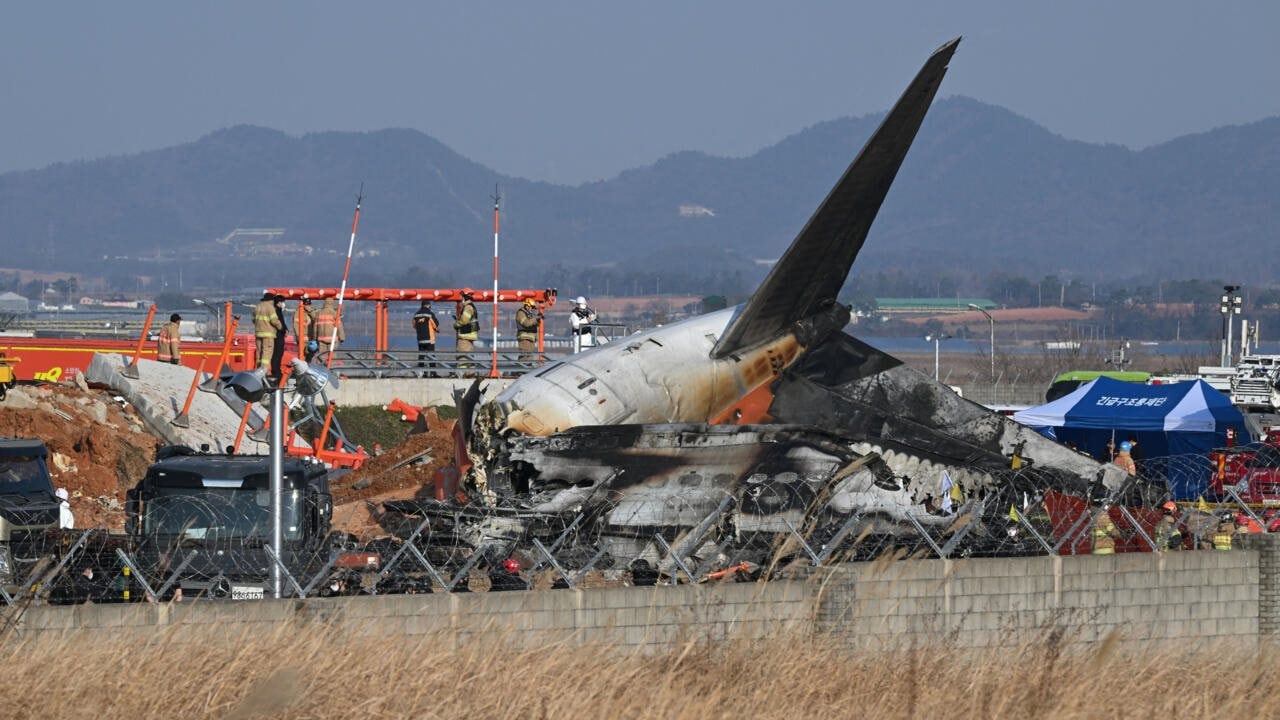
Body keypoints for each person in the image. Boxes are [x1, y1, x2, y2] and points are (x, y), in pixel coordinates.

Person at [252, 292, 282, 371]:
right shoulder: (270, 307)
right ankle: (263, 372)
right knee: (266, 354)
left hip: (258, 333)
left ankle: (258, 370)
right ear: (271, 300)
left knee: (259, 354)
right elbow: (274, 320)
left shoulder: (257, 307)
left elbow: (253, 320)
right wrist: (280, 327)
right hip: (268, 334)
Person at [454, 288, 479, 375]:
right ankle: (470, 373)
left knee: (462, 356)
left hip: (465, 335)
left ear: (465, 297)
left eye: (462, 297)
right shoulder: (471, 306)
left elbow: (464, 320)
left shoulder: (468, 307)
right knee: (469, 356)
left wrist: (456, 324)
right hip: (469, 335)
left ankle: (462, 374)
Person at [412, 300, 439, 371]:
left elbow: (414, 326)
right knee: (431, 356)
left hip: (420, 339)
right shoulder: (430, 314)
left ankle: (421, 372)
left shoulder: (416, 314)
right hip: (429, 339)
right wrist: (436, 329)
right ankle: (433, 372)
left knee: (421, 356)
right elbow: (435, 324)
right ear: (428, 305)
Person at [514, 298, 542, 363]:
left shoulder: (529, 314)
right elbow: (526, 323)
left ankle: (526, 371)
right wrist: (535, 319)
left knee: (529, 357)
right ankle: (520, 371)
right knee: (524, 356)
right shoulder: (521, 313)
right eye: (531, 307)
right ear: (527, 306)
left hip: (531, 338)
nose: (531, 309)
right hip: (524, 338)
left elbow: (535, 325)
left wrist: (538, 320)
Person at [270, 294, 289, 382]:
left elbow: (282, 322)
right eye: (282, 302)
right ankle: (276, 371)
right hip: (277, 335)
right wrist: (283, 330)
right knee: (276, 354)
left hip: (280, 335)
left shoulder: (279, 310)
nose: (283, 304)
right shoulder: (276, 311)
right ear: (279, 303)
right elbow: (279, 323)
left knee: (279, 354)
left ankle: (277, 370)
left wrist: (286, 329)